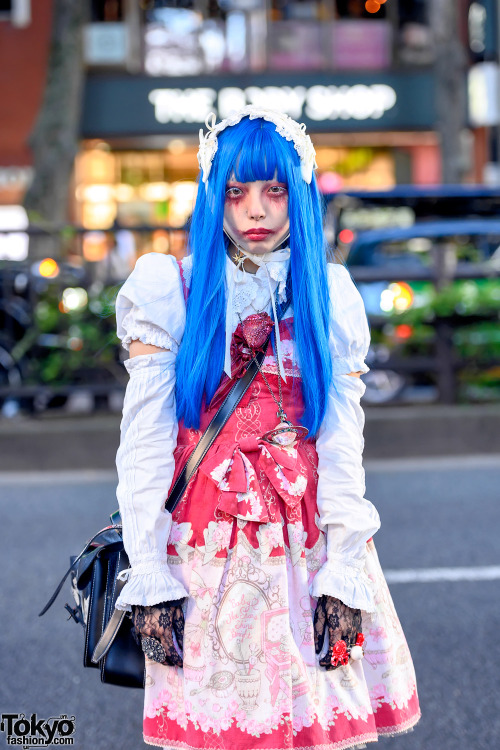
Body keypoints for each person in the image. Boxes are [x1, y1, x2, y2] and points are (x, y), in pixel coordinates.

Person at [113, 107, 421, 750]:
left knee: (310, 721)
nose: (256, 211)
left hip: (308, 540)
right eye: (236, 192)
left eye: (275, 191)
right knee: (222, 730)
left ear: (300, 195)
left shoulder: (326, 295)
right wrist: (149, 569)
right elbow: (143, 444)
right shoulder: (170, 289)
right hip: (203, 546)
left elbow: (340, 439)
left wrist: (344, 564)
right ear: (213, 197)